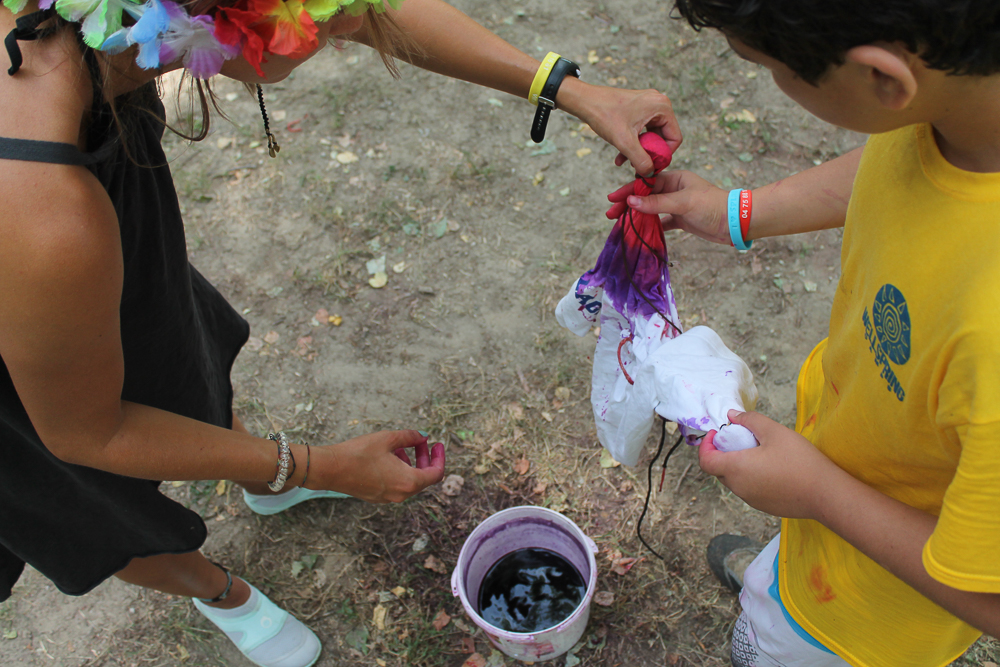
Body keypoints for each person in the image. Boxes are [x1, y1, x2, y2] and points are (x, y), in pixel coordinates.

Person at [0, 0, 681, 665]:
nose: (342, 27)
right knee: (93, 502)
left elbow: (374, 12)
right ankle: (220, 591)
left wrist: (569, 89)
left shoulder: (98, 34)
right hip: (28, 384)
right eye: (318, 19)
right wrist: (320, 465)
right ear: (226, 23)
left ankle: (259, 480)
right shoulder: (45, 209)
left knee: (177, 355)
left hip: (78, 260)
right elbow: (88, 433)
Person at [614, 1, 1000, 666]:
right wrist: (741, 212)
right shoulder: (960, 112)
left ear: (884, 79)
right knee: (784, 562)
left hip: (866, 616)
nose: (770, 80)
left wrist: (818, 491)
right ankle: (776, 578)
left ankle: (773, 629)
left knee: (777, 641)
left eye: (767, 69)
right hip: (838, 478)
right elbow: (896, 161)